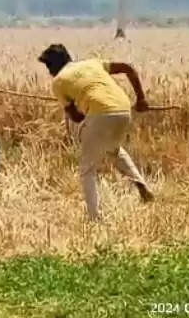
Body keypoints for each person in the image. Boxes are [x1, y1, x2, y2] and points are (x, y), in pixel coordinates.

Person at [37, 44, 155, 221]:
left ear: (52, 66)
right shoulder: (92, 63)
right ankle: (141, 184)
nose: (49, 72)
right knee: (113, 149)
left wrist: (75, 106)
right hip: (123, 110)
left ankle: (94, 218)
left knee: (87, 169)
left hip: (101, 115)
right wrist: (141, 98)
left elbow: (77, 118)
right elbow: (128, 68)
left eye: (48, 68)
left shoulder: (59, 82)